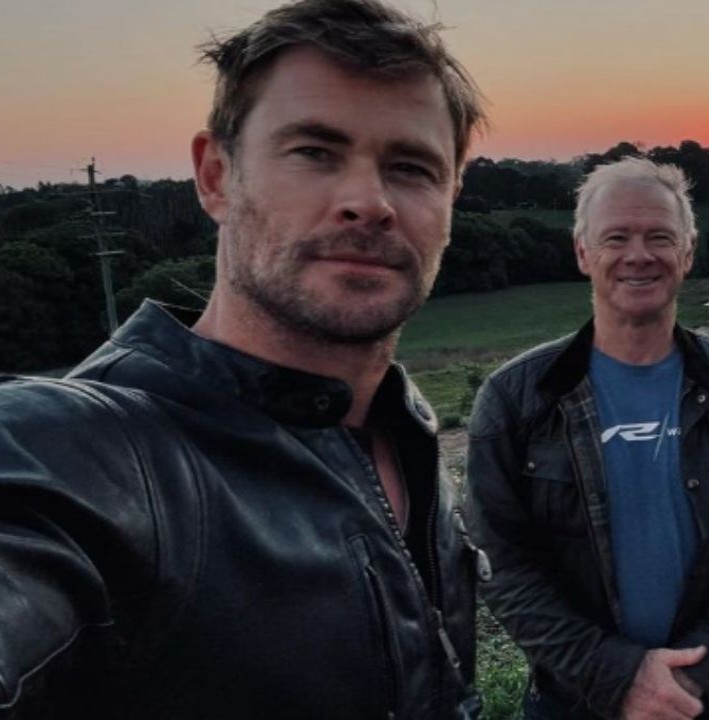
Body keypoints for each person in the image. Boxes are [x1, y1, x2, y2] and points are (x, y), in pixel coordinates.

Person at [0, 0, 486, 717]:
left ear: (451, 196)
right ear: (216, 176)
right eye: (315, 152)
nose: (368, 201)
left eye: (411, 166)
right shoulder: (87, 456)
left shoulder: (404, 425)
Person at [465, 157, 709, 720]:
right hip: (575, 699)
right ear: (582, 252)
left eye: (659, 237)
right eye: (616, 237)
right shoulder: (516, 398)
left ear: (688, 252)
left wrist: (702, 670)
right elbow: (501, 561)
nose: (638, 255)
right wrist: (615, 675)